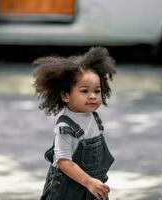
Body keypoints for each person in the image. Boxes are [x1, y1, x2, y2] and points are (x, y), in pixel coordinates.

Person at [33, 47, 116, 200]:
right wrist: (89, 181)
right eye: (84, 91)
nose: (92, 96)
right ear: (65, 95)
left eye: (97, 91)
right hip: (66, 190)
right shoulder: (65, 128)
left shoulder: (93, 117)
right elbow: (64, 162)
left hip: (92, 188)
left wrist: (93, 183)